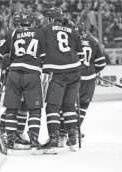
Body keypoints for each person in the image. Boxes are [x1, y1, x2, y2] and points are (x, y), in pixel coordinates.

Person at [0, 11, 44, 154]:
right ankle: (34, 141)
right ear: (32, 22)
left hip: (14, 73)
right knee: (34, 109)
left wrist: (3, 60)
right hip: (32, 73)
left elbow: (3, 54)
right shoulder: (39, 33)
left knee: (11, 109)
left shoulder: (12, 33)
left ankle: (10, 141)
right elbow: (44, 55)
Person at [40, 7, 84, 153]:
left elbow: (39, 50)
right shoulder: (73, 31)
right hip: (75, 72)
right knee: (69, 106)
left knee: (53, 106)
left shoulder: (45, 29)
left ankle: (53, 137)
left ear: (50, 18)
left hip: (57, 72)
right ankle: (72, 138)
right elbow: (81, 56)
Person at [58, 22, 106, 147]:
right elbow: (101, 63)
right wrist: (93, 71)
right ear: (85, 31)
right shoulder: (93, 41)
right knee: (83, 105)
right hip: (89, 79)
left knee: (67, 105)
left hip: (73, 77)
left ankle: (62, 133)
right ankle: (75, 130)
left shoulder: (70, 41)